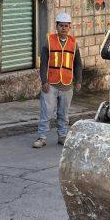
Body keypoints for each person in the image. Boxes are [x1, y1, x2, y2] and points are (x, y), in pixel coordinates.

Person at [33, 12, 82, 148]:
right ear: (57, 26)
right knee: (46, 112)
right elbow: (43, 63)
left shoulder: (73, 43)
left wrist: (78, 81)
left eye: (66, 26)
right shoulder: (49, 41)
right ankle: (42, 137)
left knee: (63, 114)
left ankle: (62, 136)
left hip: (67, 84)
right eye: (61, 26)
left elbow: (78, 63)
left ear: (69, 27)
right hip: (51, 84)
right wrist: (44, 81)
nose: (64, 28)